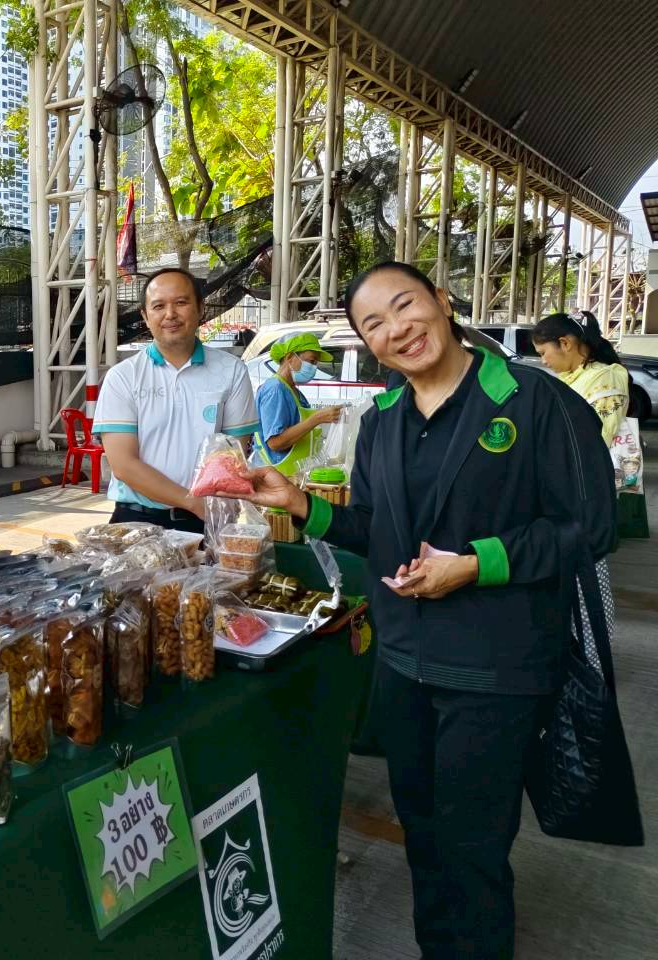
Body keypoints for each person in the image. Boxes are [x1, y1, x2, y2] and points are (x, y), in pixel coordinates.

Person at [239, 261, 615, 960]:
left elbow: (590, 527)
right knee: (423, 835)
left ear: (442, 300)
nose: (397, 329)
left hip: (495, 668)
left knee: (473, 846)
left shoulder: (534, 400)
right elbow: (377, 531)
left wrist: (475, 563)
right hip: (405, 664)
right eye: (373, 324)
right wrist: (300, 505)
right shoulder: (383, 421)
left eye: (405, 304)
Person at [94, 268, 259, 534]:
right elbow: (123, 465)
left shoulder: (232, 371)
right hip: (137, 520)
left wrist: (210, 507)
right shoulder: (123, 377)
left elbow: (232, 453)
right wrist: (191, 502)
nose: (170, 314)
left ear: (200, 309)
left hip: (207, 520)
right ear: (145, 317)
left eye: (181, 302)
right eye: (158, 306)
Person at [532, 310, 630, 446]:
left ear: (565, 343)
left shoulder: (604, 378)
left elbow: (599, 437)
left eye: (542, 353)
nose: (543, 361)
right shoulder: (572, 376)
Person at [252, 332, 343, 475]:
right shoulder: (275, 389)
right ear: (290, 357)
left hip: (295, 476)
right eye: (311, 361)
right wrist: (317, 418)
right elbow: (275, 443)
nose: (314, 368)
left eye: (316, 363)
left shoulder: (295, 392)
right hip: (276, 476)